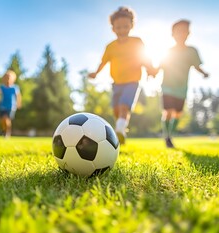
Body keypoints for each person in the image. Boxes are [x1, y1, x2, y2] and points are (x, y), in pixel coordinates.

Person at [88, 6, 154, 144]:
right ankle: (121, 129)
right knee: (116, 110)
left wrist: (150, 69)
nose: (122, 30)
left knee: (124, 106)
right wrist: (95, 73)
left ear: (131, 26)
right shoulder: (110, 46)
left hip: (132, 81)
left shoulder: (137, 42)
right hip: (116, 83)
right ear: (113, 29)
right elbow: (103, 62)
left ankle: (119, 132)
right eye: (118, 27)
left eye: (125, 26)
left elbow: (145, 58)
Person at [156, 20, 209, 148]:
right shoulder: (168, 51)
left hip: (182, 88)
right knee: (168, 111)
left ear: (188, 33)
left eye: (184, 31)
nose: (181, 34)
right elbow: (160, 66)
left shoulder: (192, 51)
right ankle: (167, 136)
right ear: (172, 34)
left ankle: (171, 134)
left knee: (178, 113)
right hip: (167, 86)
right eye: (178, 31)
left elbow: (196, 65)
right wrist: (152, 73)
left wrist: (203, 73)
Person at [0, 70, 22, 138]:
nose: (7, 79)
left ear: (13, 79)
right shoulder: (2, 87)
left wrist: (19, 103)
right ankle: (4, 130)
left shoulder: (14, 88)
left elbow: (18, 96)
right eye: (6, 78)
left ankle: (7, 133)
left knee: (6, 119)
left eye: (9, 78)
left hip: (11, 106)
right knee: (2, 120)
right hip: (2, 106)